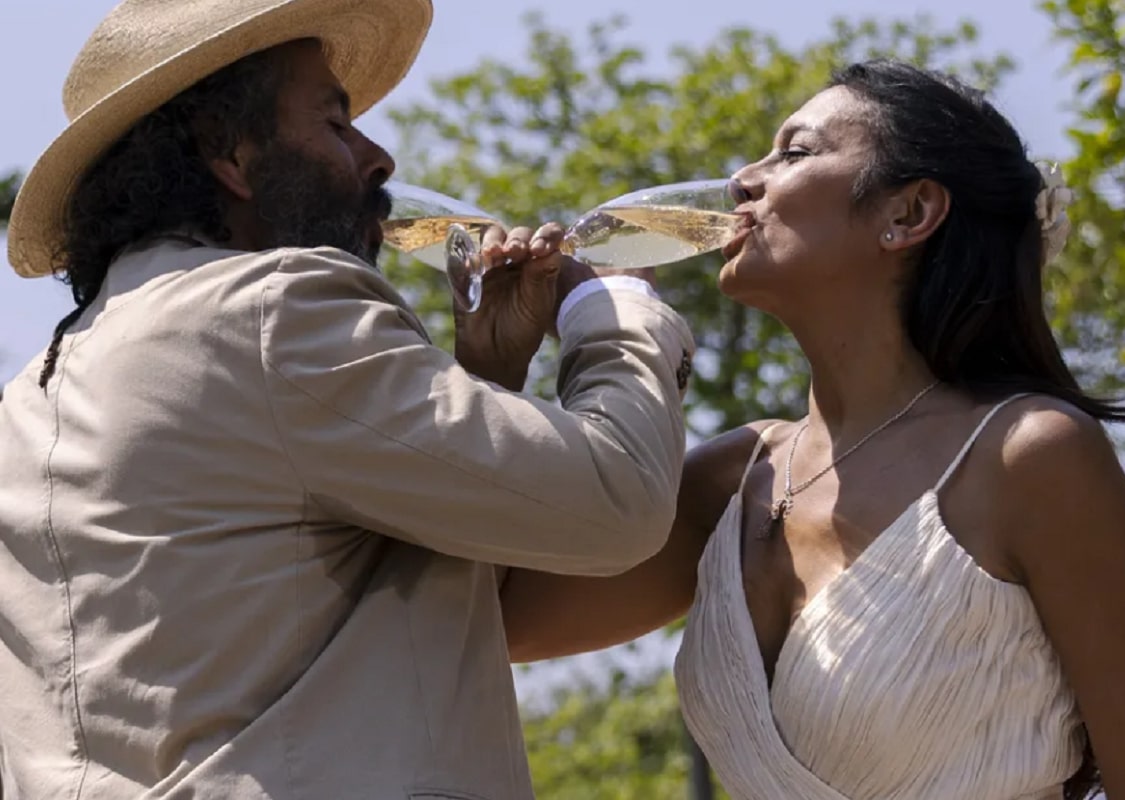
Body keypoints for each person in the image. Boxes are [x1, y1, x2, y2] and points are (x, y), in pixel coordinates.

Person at [0, 1, 695, 797]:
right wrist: (614, 313)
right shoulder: (272, 307)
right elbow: (617, 499)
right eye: (335, 123)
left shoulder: (26, 406)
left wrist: (486, 382)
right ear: (227, 150)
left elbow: (294, 602)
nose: (378, 157)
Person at [502, 60, 1125, 799]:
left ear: (908, 214)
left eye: (795, 152)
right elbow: (494, 620)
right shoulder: (732, 482)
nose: (743, 178)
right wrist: (496, 366)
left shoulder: (1029, 457)